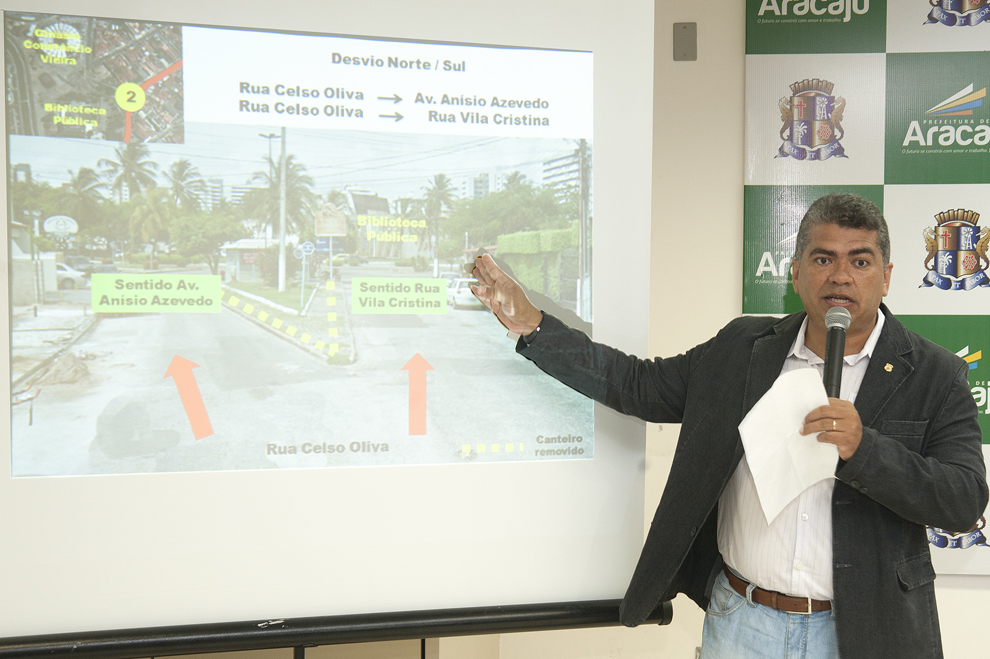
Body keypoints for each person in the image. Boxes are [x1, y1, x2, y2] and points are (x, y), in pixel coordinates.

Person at [471, 193, 987, 659]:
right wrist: (533, 325)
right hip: (743, 623)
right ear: (796, 273)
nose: (840, 276)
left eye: (860, 261)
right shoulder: (742, 348)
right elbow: (637, 384)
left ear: (887, 275)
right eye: (823, 258)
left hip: (865, 634)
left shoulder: (935, 373)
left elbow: (964, 501)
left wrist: (864, 449)